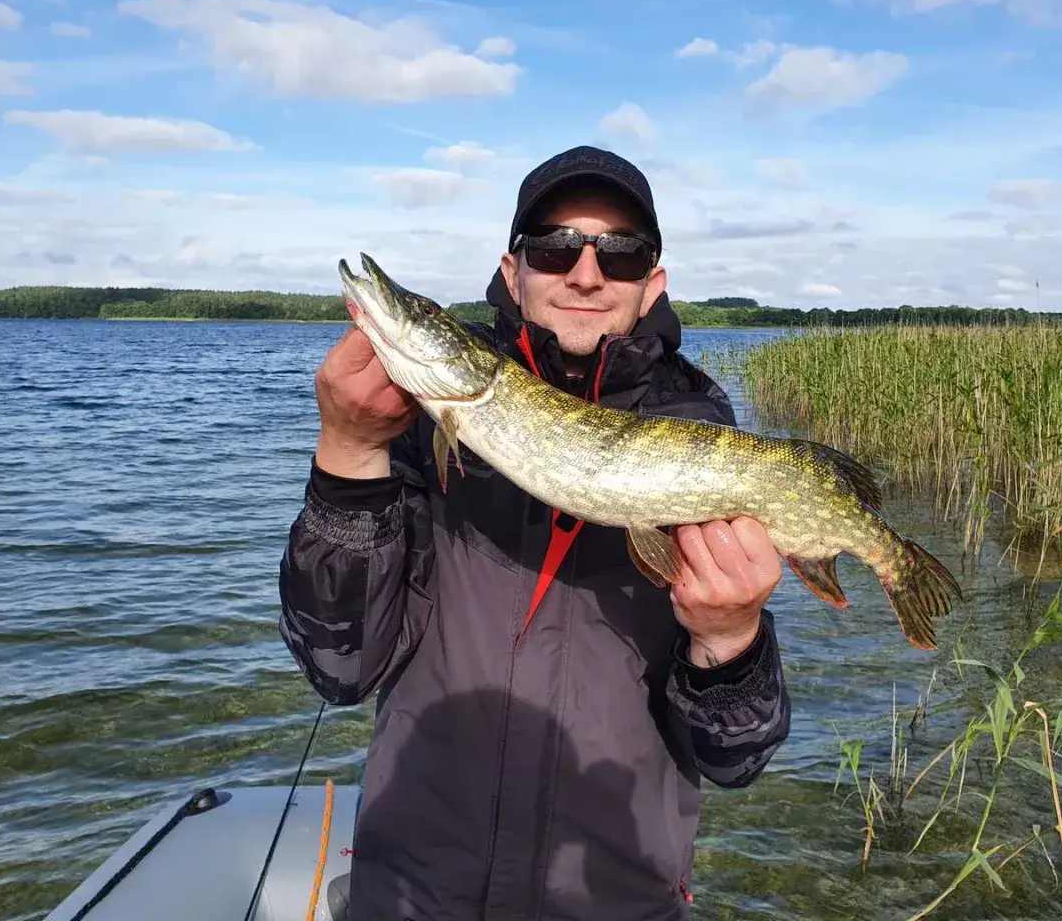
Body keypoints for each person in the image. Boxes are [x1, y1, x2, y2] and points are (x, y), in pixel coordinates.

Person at [278, 145, 792, 920]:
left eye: (619, 256)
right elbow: (338, 669)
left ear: (652, 284)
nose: (585, 274)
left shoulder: (701, 449)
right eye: (554, 247)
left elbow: (739, 760)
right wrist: (350, 453)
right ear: (513, 272)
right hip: (412, 898)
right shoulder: (421, 435)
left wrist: (730, 642)